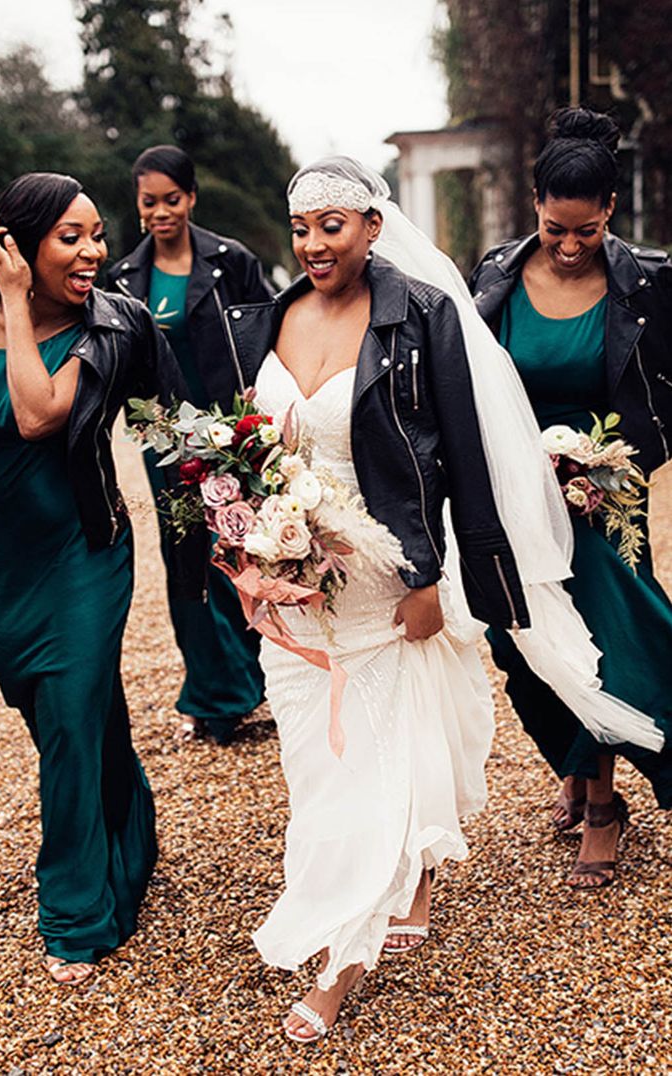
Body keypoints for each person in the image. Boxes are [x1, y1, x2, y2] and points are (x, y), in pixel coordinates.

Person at [219, 156, 662, 1042]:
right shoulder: (267, 319)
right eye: (301, 227)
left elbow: (460, 456)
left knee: (368, 763)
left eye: (332, 226)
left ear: (372, 228)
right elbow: (246, 452)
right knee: (316, 764)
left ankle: (342, 955)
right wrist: (245, 554)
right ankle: (408, 867)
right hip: (294, 589)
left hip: (388, 579)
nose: (312, 244)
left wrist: (433, 580)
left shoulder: (421, 318)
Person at [0, 172, 188, 984]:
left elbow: (36, 413)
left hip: (87, 547)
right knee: (62, 711)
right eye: (72, 237)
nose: (94, 251)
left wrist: (16, 301)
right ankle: (132, 828)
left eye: (97, 233)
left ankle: (77, 912)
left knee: (67, 713)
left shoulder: (113, 325)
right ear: (19, 244)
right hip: (3, 554)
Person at [469, 107, 672, 890]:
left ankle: (603, 805)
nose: (569, 244)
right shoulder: (494, 273)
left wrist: (618, 464)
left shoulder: (648, 281)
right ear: (534, 204)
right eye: (556, 227)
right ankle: (573, 760)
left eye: (585, 230)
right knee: (519, 644)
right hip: (516, 497)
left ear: (611, 211)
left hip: (603, 501)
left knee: (608, 644)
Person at [107, 145, 271, 746]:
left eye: (171, 200)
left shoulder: (232, 261)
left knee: (245, 551)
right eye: (149, 202)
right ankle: (215, 695)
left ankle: (266, 676)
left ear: (191, 197)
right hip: (166, 443)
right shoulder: (125, 276)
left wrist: (256, 420)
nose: (160, 212)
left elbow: (265, 339)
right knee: (186, 561)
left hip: (233, 435)